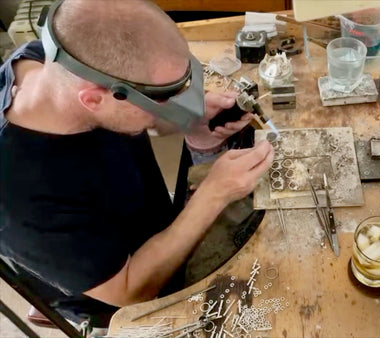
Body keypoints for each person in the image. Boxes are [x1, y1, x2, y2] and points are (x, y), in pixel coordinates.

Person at [0, 0, 273, 327]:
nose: (176, 105)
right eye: (161, 100)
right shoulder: (19, 198)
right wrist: (214, 194)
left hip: (152, 224)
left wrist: (190, 125)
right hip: (125, 295)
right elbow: (133, 293)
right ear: (93, 98)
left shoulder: (52, 59)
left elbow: (128, 118)